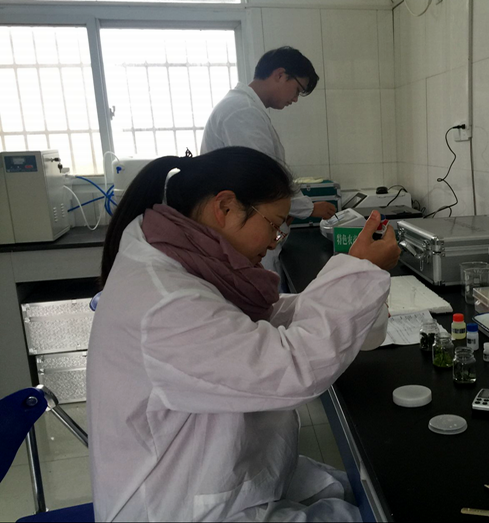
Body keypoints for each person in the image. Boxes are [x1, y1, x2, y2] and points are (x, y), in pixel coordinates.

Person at [87, 146, 400, 522]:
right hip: (175, 507)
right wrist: (357, 276)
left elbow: (252, 322)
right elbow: (290, 370)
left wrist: (353, 282)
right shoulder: (165, 303)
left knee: (361, 493)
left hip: (209, 472)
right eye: (274, 225)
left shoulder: (178, 257)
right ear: (225, 207)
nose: (275, 241)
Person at [201, 46, 336, 288]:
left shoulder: (245, 107)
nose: (295, 99)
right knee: (259, 296)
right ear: (280, 74)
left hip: (247, 228)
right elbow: (262, 180)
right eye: (297, 90)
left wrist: (292, 210)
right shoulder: (243, 112)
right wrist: (308, 208)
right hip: (243, 232)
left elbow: (267, 171)